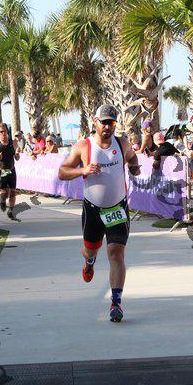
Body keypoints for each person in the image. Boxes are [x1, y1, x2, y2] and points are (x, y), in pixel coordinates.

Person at [58, 104, 141, 322]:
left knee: (116, 252)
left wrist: (134, 167)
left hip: (118, 208)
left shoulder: (122, 143)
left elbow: (133, 157)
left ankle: (116, 303)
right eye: (103, 122)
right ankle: (90, 262)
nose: (107, 126)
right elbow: (62, 172)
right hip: (93, 210)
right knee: (90, 250)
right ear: (95, 122)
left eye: (111, 122)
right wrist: (82, 170)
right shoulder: (83, 146)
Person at [0, 123, 20, 220]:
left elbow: (17, 158)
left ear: (7, 131)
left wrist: (17, 154)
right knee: (5, 192)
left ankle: (11, 211)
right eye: (1, 132)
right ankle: (3, 201)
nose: (3, 133)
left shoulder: (13, 142)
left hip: (11, 169)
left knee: (13, 192)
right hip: (1, 170)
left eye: (5, 131)